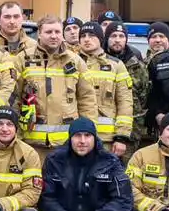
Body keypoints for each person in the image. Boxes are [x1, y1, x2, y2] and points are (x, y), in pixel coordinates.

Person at [15, 15, 96, 164]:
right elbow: (14, 99)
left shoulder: (75, 61)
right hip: (30, 144)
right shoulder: (22, 59)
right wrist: (16, 137)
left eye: (57, 32)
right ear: (39, 34)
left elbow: (87, 100)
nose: (54, 36)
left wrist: (89, 135)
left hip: (66, 145)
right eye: (49, 32)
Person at [77, 21, 133, 158]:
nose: (86, 39)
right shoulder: (70, 62)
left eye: (91, 35)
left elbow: (125, 102)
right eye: (83, 36)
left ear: (101, 39)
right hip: (76, 138)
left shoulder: (116, 65)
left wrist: (121, 137)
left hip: (106, 139)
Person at [104, 22, 149, 151]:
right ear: (107, 38)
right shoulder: (99, 62)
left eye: (121, 36)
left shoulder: (137, 66)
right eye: (113, 36)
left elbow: (143, 97)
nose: (117, 40)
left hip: (130, 131)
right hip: (103, 129)